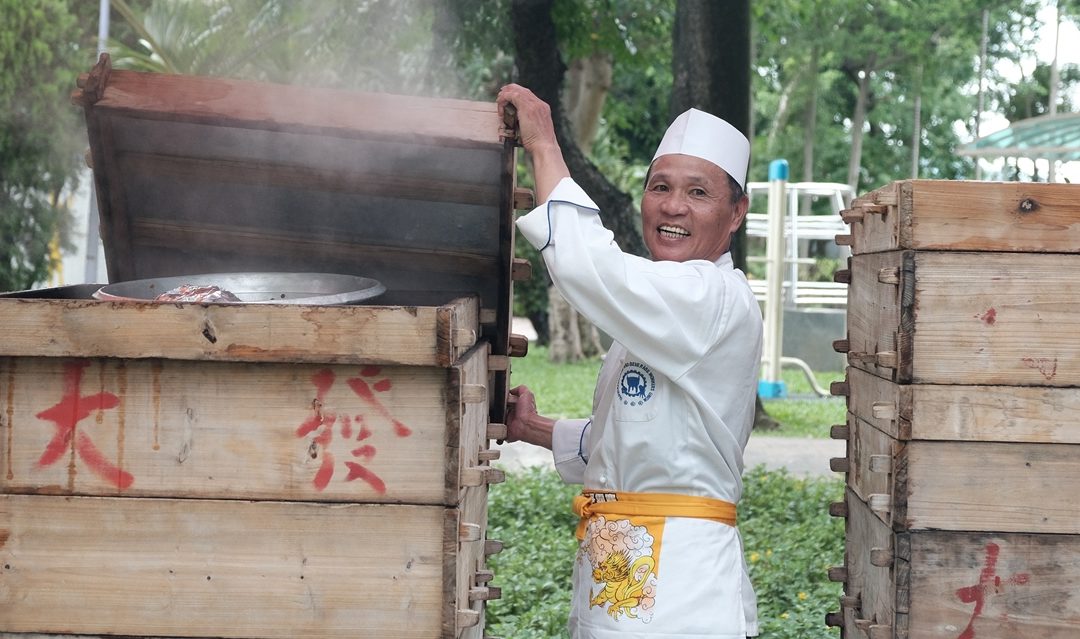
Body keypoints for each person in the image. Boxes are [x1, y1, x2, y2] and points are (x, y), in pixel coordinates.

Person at [496, 83, 764, 639]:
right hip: (623, 545)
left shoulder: (710, 298)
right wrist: (537, 429)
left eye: (698, 193)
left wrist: (544, 142)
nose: (672, 207)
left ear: (736, 213)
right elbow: (643, 435)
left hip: (681, 589)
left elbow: (589, 268)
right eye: (660, 187)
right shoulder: (661, 309)